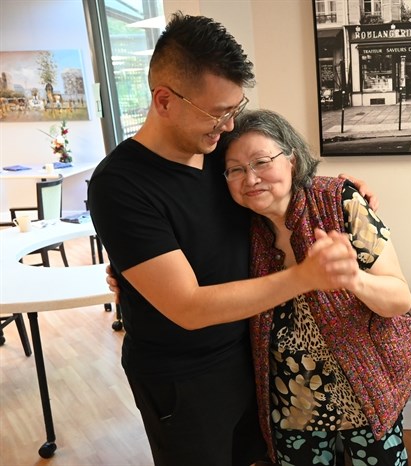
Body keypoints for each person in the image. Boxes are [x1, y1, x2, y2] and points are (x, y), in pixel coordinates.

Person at [89, 12, 366, 466]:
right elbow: (189, 306)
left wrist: (336, 192)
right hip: (184, 378)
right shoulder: (120, 185)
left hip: (252, 354)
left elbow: (273, 179)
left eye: (235, 110)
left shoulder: (217, 154)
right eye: (218, 113)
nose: (228, 126)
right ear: (164, 101)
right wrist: (305, 276)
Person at [219, 109, 411, 465]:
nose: (250, 178)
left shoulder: (339, 201)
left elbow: (399, 299)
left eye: (261, 161)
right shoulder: (237, 228)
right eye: (236, 169)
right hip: (292, 400)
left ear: (292, 160)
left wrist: (352, 279)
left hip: (366, 387)